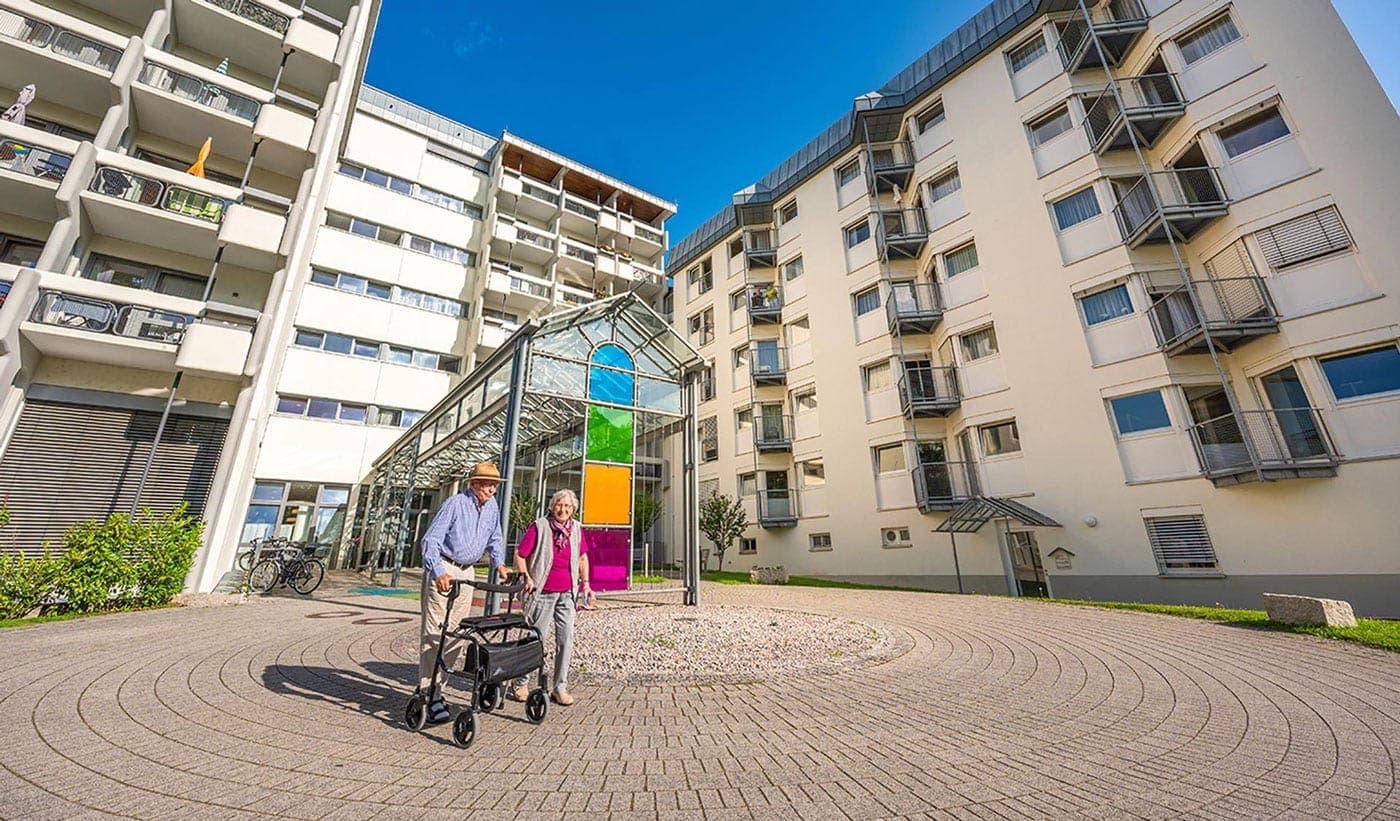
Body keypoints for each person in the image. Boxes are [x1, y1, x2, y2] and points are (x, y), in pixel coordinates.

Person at [416, 462, 510, 724]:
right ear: (474, 484)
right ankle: (428, 693)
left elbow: (495, 538)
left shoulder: (492, 507)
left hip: (467, 572)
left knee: (456, 634)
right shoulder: (455, 504)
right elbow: (430, 540)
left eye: (495, 485)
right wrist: (438, 572)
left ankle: (437, 688)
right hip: (446, 568)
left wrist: (499, 564)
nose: (492, 490)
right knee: (436, 632)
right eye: (488, 485)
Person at [511, 489, 593, 707]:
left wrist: (586, 584)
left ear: (573, 509)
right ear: (552, 506)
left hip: (567, 594)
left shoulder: (576, 529)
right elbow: (520, 554)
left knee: (566, 640)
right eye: (559, 505)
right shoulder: (539, 527)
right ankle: (520, 682)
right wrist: (527, 577)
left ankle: (560, 687)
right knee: (535, 638)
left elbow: (582, 557)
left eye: (567, 506)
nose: (563, 509)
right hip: (543, 592)